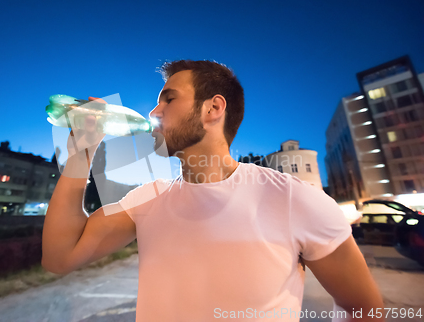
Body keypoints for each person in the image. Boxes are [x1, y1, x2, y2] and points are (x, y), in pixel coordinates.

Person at [42, 60, 385, 321]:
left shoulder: (293, 199)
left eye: (169, 99)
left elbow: (365, 310)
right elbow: (60, 257)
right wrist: (81, 155)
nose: (153, 111)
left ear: (213, 109)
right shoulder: (147, 200)